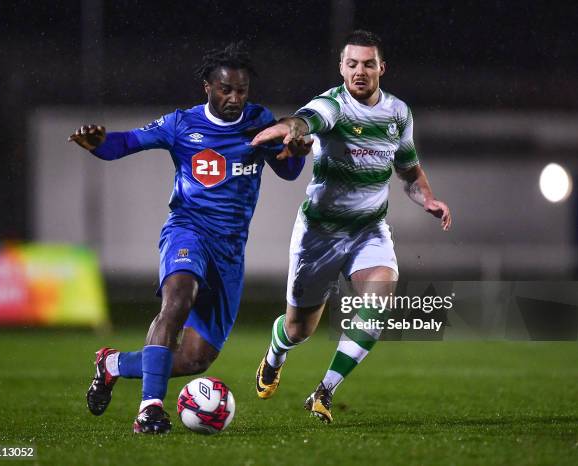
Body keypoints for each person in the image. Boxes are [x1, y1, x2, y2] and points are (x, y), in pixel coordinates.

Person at [68, 43, 309, 434]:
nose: (234, 98)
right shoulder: (181, 124)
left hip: (229, 252)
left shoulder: (259, 122)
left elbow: (289, 172)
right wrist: (98, 144)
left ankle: (111, 365)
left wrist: (295, 152)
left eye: (242, 90)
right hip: (188, 230)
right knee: (178, 297)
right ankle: (149, 409)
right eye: (226, 89)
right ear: (207, 88)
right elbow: (126, 143)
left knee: (196, 360)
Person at [251, 30, 451, 423]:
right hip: (319, 235)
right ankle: (275, 356)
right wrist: (289, 129)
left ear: (382, 68)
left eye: (368, 64)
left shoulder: (398, 113)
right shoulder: (334, 106)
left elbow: (408, 170)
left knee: (380, 296)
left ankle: (324, 391)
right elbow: (307, 120)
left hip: (369, 231)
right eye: (353, 64)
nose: (360, 71)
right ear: (342, 67)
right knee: (299, 329)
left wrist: (426, 198)